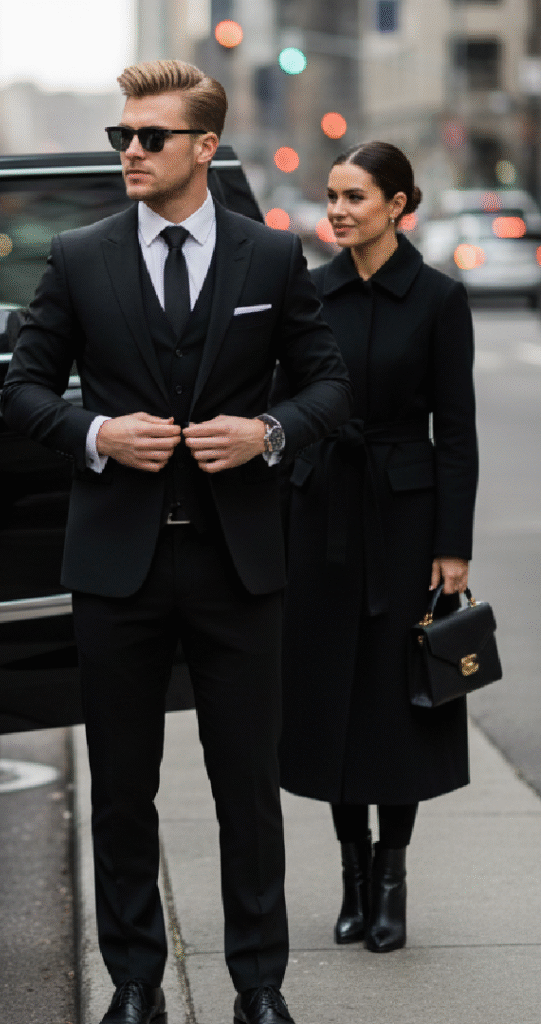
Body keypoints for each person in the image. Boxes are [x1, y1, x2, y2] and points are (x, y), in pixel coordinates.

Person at [1, 60, 352, 1024]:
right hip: (119, 568)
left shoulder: (270, 259)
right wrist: (95, 435)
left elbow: (329, 387)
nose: (131, 151)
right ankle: (134, 984)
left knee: (247, 788)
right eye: (122, 135)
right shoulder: (79, 256)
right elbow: (21, 391)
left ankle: (260, 987)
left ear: (205, 146)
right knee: (121, 789)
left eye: (150, 137)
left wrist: (267, 433)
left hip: (238, 565)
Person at [278, 141, 479, 955]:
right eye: (332, 195)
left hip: (403, 519)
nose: (337, 210)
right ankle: (351, 874)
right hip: (320, 513)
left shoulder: (437, 299)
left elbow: (456, 434)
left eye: (355, 196)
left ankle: (392, 874)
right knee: (330, 696)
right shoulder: (306, 294)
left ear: (398, 206)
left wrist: (453, 545)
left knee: (399, 703)